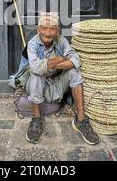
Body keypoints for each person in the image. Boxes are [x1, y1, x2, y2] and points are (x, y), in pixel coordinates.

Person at [23, 11, 100, 145]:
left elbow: (76, 61)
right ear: (38, 29)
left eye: (52, 28)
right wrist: (58, 59)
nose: (47, 33)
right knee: (36, 73)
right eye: (44, 28)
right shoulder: (32, 44)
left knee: (74, 72)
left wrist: (48, 64)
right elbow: (35, 68)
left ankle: (80, 120)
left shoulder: (61, 41)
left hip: (58, 86)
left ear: (57, 30)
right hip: (40, 87)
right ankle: (36, 118)